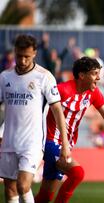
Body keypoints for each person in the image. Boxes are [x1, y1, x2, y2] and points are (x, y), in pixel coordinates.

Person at [34, 56, 104, 203]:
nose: (98, 78)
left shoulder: (94, 92)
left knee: (45, 197)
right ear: (82, 75)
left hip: (67, 144)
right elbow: (36, 104)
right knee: (77, 173)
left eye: (99, 73)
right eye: (94, 74)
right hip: (51, 141)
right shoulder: (62, 90)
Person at [0, 34, 69, 203]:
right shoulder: (4, 77)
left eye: (27, 57)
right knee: (10, 190)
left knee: (23, 185)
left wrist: (65, 144)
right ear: (14, 52)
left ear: (35, 54)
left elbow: (57, 111)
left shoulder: (44, 77)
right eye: (19, 56)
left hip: (33, 142)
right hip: (9, 141)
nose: (22, 61)